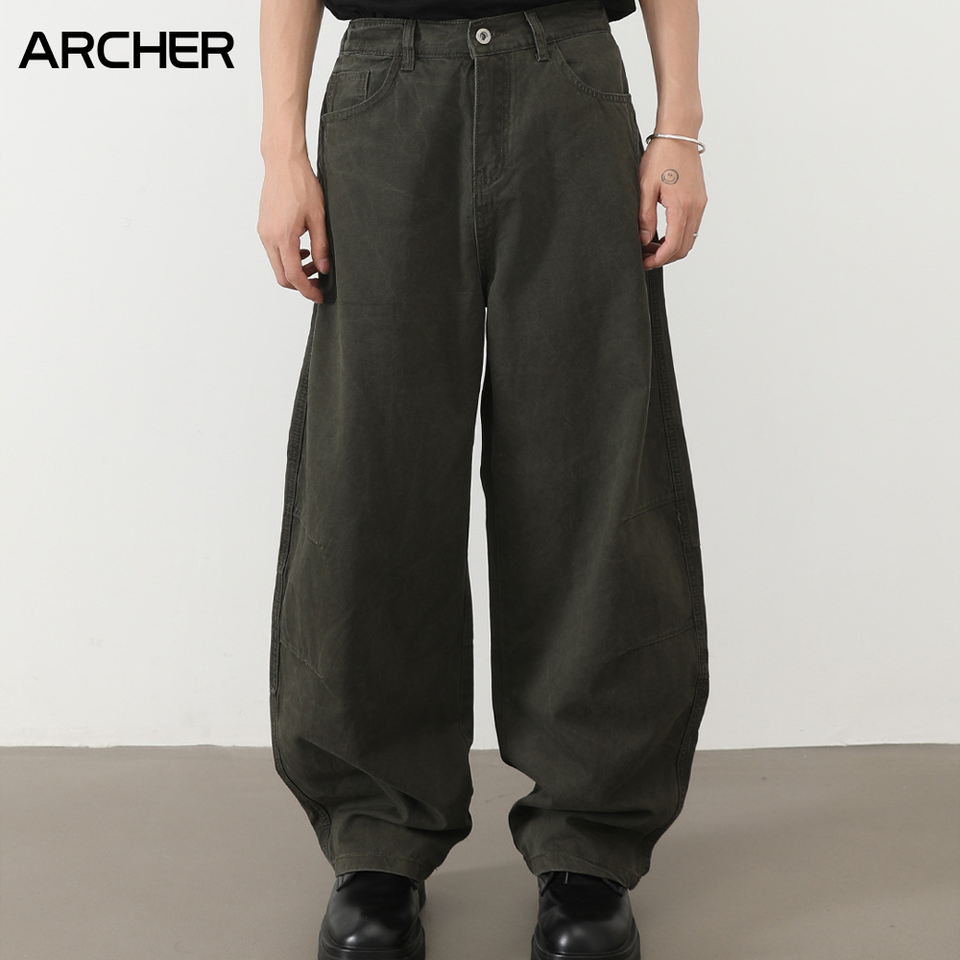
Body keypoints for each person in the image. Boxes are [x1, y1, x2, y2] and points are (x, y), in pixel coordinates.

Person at [257, 1, 709, 957]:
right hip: (388, 87)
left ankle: (588, 844)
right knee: (373, 472)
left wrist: (680, 126)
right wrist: (281, 152)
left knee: (592, 471)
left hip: (568, 75)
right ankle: (377, 842)